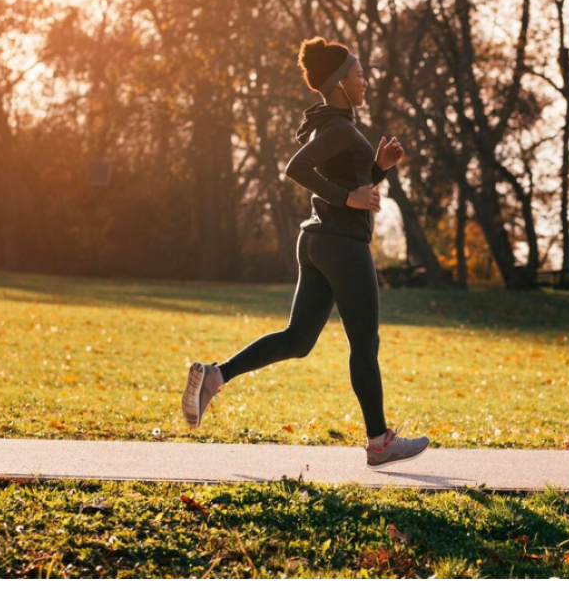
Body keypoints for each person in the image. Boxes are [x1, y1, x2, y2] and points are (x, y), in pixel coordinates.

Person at [181, 36, 430, 470]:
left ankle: (215, 376)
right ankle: (379, 441)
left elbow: (353, 185)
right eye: (357, 74)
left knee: (297, 340)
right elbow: (297, 168)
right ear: (338, 83)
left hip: (317, 241)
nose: (365, 81)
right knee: (364, 345)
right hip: (342, 245)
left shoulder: (330, 124)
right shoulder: (337, 127)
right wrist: (345, 198)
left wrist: (377, 170)